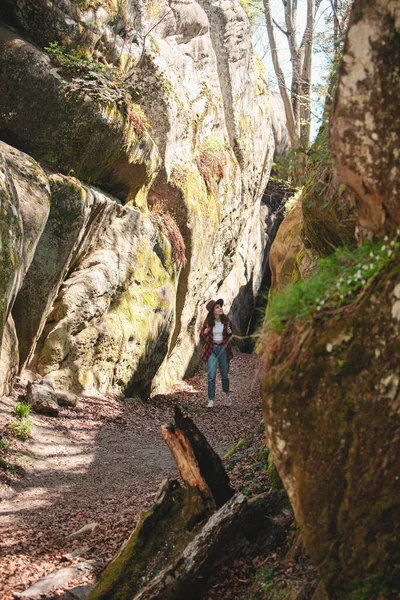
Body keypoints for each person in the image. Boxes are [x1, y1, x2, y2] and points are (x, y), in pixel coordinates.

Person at [200, 298, 233, 408]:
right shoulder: (208, 322)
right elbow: (203, 333)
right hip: (211, 349)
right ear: (212, 311)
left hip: (223, 349)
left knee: (224, 375)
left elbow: (230, 333)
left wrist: (229, 332)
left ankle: (227, 395)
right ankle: (211, 400)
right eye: (217, 307)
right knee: (211, 376)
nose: (220, 308)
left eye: (220, 307)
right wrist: (205, 332)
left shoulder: (226, 321)